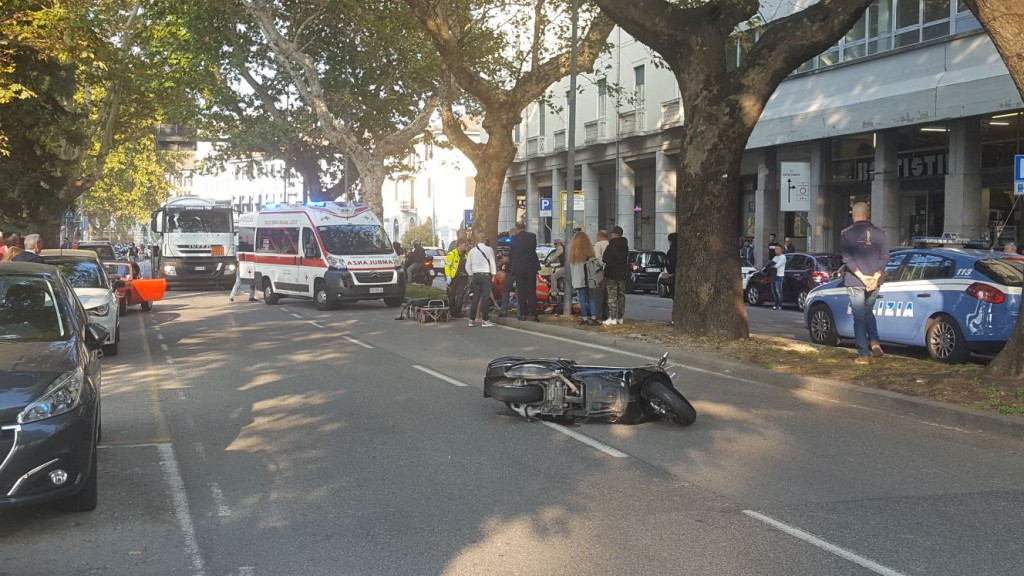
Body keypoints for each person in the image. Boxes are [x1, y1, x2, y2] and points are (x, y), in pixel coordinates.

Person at [840, 201, 889, 364]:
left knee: (859, 317)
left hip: (855, 280)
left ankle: (863, 354)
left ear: (853, 215)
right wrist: (874, 277)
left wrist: (862, 277)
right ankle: (874, 342)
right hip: (875, 282)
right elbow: (885, 257)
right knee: (868, 311)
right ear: (868, 214)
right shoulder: (881, 233)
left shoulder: (846, 234)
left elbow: (847, 259)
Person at [510, 221, 540, 321]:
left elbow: (512, 254)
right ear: (525, 227)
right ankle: (534, 314)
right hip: (531, 267)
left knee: (521, 291)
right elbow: (533, 248)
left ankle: (522, 314)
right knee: (532, 291)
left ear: (517, 228)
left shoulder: (514, 239)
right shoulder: (532, 236)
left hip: (520, 268)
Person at [465, 232, 496, 327]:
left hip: (476, 276)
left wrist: (471, 274)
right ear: (484, 239)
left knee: (475, 297)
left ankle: (471, 319)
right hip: (485, 275)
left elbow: (467, 266)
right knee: (485, 298)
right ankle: (485, 320)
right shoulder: (489, 249)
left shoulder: (472, 251)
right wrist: (493, 275)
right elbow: (492, 263)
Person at [568, 231, 599, 326]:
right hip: (590, 279)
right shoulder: (590, 252)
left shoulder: (573, 254)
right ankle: (594, 318)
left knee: (582, 298)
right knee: (591, 298)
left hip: (579, 279)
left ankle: (585, 318)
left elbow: (572, 269)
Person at [602, 226, 629, 325]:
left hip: (612, 273)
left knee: (612, 296)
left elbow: (604, 259)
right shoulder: (625, 246)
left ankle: (612, 317)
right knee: (621, 296)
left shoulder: (611, 246)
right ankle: (620, 317)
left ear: (613, 234)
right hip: (622, 274)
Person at [444, 239, 469, 318]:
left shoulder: (466, 255)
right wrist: (448, 276)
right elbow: (447, 266)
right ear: (460, 245)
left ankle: (458, 311)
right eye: (465, 245)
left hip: (463, 277)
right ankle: (452, 311)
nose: (466, 247)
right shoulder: (452, 254)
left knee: (460, 295)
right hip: (454, 277)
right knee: (452, 294)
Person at [498, 227, 518, 317]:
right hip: (519, 270)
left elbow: (509, 258)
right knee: (519, 291)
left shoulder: (511, 244)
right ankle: (520, 312)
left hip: (510, 270)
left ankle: (503, 311)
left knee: (506, 290)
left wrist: (504, 262)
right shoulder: (519, 243)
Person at [593, 230, 609, 320]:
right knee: (607, 295)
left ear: (600, 236)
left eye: (597, 236)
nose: (596, 237)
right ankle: (606, 314)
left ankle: (598, 315)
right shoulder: (609, 244)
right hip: (609, 271)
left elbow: (597, 258)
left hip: (600, 272)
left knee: (598, 295)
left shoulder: (598, 244)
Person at [770, 245, 787, 310]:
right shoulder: (775, 257)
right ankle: (776, 304)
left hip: (779, 275)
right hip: (773, 275)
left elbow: (776, 266)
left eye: (777, 249)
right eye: (775, 249)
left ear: (781, 250)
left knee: (778, 291)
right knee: (774, 291)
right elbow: (771, 264)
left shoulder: (783, 257)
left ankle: (780, 305)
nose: (776, 250)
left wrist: (773, 266)